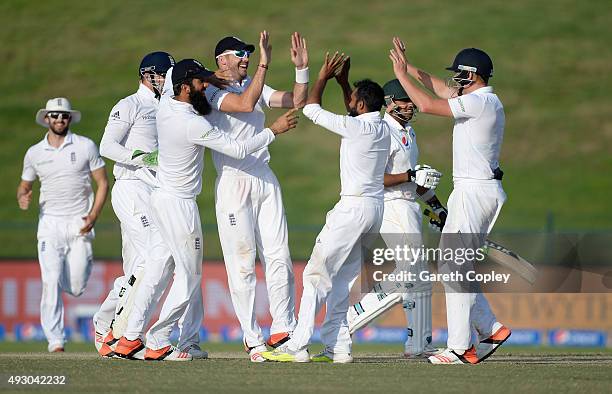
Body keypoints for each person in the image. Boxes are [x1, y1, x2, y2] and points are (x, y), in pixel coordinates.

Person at [113, 58, 297, 361]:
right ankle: (157, 339)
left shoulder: (167, 106)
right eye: (200, 82)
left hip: (161, 198)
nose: (205, 85)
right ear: (185, 88)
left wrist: (213, 76)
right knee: (189, 277)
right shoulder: (193, 123)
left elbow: (186, 79)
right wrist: (274, 130)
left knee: (159, 270)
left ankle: (129, 338)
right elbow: (238, 149)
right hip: (179, 205)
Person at [263, 52, 393, 363]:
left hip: (352, 209)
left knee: (316, 274)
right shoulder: (383, 127)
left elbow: (310, 108)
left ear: (361, 106)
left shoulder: (357, 128)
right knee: (343, 280)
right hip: (375, 210)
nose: (350, 102)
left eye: (354, 99)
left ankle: (297, 344)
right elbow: (354, 109)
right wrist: (345, 81)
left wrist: (321, 76)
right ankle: (339, 346)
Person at [388, 37, 511, 364]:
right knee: (459, 265)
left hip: (474, 190)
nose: (455, 80)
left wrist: (401, 76)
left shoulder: (480, 102)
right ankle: (490, 328)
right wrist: (409, 66)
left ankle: (460, 347)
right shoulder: (480, 99)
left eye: (460, 75)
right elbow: (441, 89)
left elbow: (428, 105)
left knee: (452, 265)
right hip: (477, 190)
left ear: (473, 75)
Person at [93, 52, 208, 359]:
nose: (166, 79)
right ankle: (113, 331)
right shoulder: (129, 105)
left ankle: (116, 331)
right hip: (131, 189)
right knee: (151, 260)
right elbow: (106, 146)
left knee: (142, 266)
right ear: (147, 75)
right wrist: (144, 158)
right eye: (162, 74)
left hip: (158, 191)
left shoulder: (167, 105)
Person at [204, 31, 308, 362]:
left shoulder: (255, 85)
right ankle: (252, 337)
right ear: (222, 60)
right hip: (234, 181)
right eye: (240, 53)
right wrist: (264, 62)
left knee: (279, 255)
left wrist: (301, 70)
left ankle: (284, 329)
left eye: (249, 53)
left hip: (264, 176)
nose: (246, 57)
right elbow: (244, 103)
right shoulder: (211, 91)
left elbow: (296, 101)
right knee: (243, 263)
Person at [344, 76, 444, 358]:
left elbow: (417, 180)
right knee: (411, 274)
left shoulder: (408, 132)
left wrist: (437, 206)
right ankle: (347, 321)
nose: (410, 105)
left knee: (418, 276)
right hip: (391, 205)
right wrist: (411, 175)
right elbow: (375, 177)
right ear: (388, 104)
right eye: (404, 100)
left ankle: (419, 344)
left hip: (410, 205)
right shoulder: (381, 131)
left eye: (411, 100)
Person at [17, 97, 108, 352]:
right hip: (50, 224)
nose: (59, 120)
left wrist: (93, 215)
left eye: (64, 116)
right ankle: (55, 340)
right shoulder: (34, 153)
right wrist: (23, 196)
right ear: (46, 118)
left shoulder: (85, 146)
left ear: (69, 119)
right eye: (54, 116)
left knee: (77, 287)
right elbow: (25, 185)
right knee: (50, 280)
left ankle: (70, 281)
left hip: (79, 223)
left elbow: (102, 183)